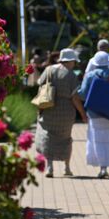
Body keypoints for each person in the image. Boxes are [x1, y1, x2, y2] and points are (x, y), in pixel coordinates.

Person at [34, 48, 87, 177]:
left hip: (49, 108)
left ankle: (50, 167)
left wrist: (40, 109)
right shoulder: (71, 75)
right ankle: (66, 168)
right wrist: (83, 114)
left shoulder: (49, 70)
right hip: (66, 112)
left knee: (48, 138)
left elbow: (40, 86)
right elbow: (74, 98)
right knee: (65, 139)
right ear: (70, 61)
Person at [77, 51, 109, 178]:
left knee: (98, 140)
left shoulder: (90, 76)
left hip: (95, 113)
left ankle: (102, 168)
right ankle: (107, 166)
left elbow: (82, 94)